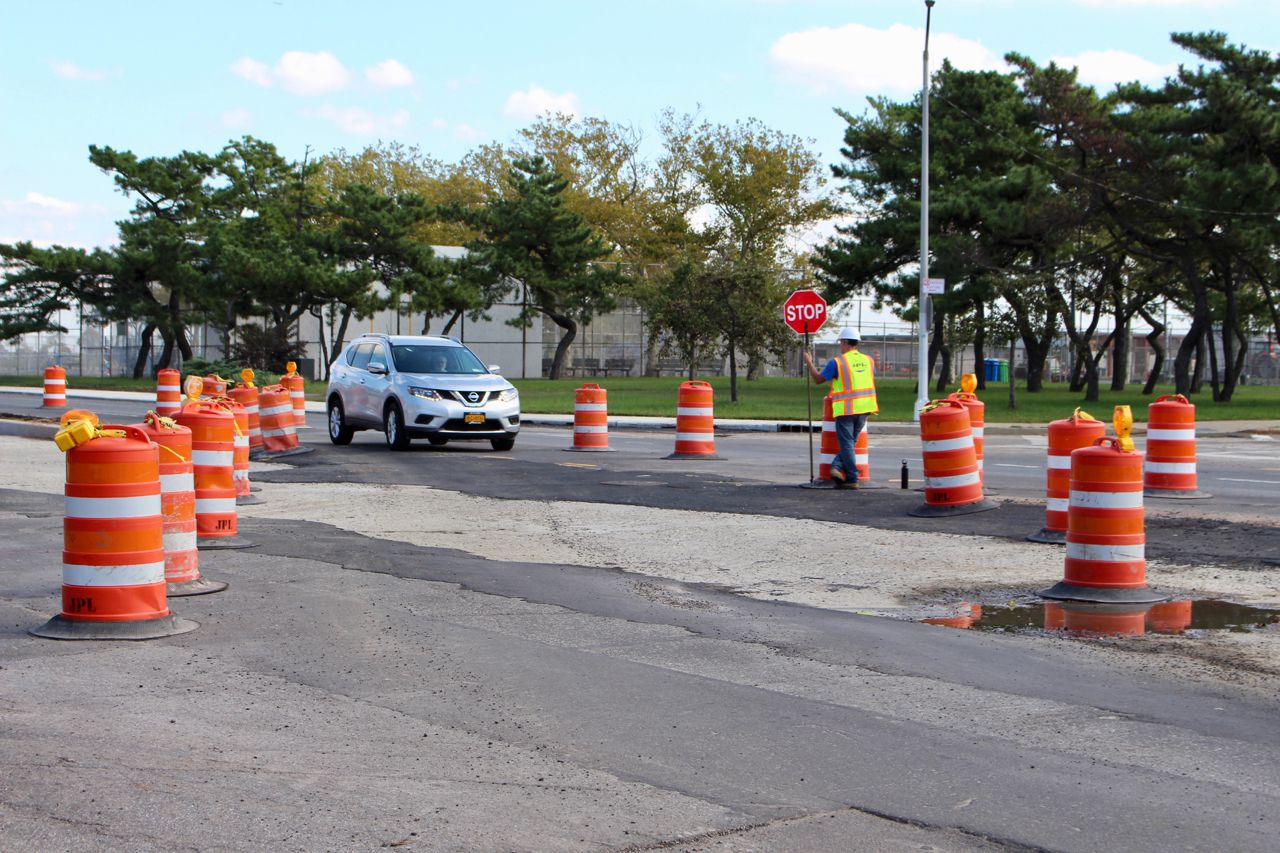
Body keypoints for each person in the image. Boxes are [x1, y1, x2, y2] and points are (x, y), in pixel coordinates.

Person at [803, 327, 878, 489]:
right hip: (865, 407)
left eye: (840, 343)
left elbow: (818, 379)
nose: (840, 346)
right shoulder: (869, 360)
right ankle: (837, 467)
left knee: (847, 444)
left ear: (844, 342)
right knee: (850, 442)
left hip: (846, 409)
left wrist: (809, 362)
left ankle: (852, 477)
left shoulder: (837, 362)